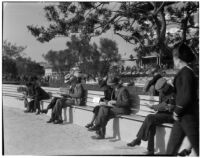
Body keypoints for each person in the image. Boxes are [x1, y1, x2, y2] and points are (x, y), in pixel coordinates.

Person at [127, 78, 175, 155]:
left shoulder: (173, 92)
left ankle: (138, 139)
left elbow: (166, 106)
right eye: (159, 90)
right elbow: (161, 105)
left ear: (166, 86)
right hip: (162, 114)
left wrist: (153, 107)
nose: (160, 92)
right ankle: (150, 151)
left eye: (161, 89)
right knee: (150, 124)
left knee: (149, 117)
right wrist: (156, 107)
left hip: (171, 115)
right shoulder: (162, 92)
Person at [166, 42, 199, 156]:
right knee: (171, 149)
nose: (173, 61)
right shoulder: (185, 72)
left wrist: (177, 111)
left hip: (189, 117)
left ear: (177, 59)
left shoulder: (186, 73)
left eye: (173, 58)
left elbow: (187, 96)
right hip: (181, 118)